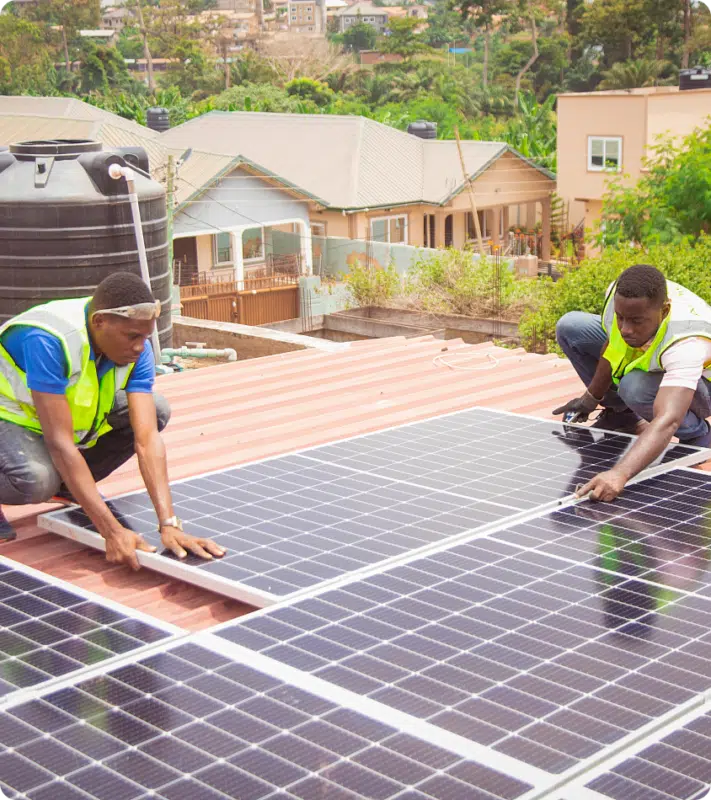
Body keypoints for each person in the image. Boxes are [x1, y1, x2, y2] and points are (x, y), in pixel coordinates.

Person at [0, 272, 225, 570]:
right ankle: (59, 482)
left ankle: (70, 486)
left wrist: (169, 524)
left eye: (145, 336)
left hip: (46, 419)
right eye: (132, 336)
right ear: (99, 322)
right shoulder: (49, 339)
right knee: (37, 480)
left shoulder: (136, 347)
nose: (140, 347)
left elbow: (146, 439)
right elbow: (60, 443)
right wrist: (111, 531)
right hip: (9, 416)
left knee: (156, 409)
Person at [554, 264, 711, 502]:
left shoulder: (686, 341)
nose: (626, 329)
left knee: (634, 386)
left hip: (703, 385)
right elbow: (614, 345)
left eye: (637, 321)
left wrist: (619, 474)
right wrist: (591, 398)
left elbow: (668, 419)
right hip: (661, 361)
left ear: (665, 310)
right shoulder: (620, 298)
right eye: (620, 317)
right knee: (571, 327)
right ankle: (622, 413)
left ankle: (698, 435)